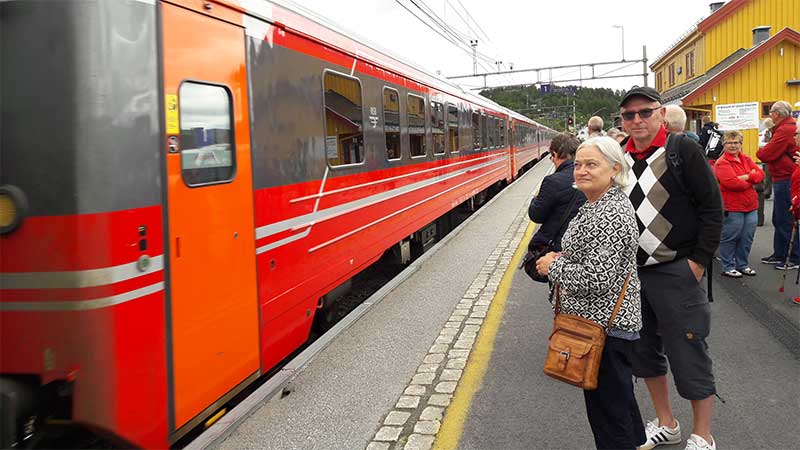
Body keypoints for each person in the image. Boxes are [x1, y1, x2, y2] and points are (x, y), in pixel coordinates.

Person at [618, 86, 723, 450]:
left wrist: (698, 262)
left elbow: (712, 208)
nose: (637, 121)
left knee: (688, 350)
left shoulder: (682, 150)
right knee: (644, 352)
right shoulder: (618, 156)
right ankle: (667, 423)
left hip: (676, 269)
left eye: (644, 112)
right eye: (629, 115)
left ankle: (703, 434)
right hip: (633, 276)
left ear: (661, 114)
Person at [536, 136, 643, 450]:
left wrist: (550, 268)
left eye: (591, 164)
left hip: (605, 329)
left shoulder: (610, 214)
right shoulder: (597, 203)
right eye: (579, 164)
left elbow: (597, 278)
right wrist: (563, 258)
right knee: (618, 405)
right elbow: (591, 258)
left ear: (614, 169)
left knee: (609, 415)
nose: (581, 170)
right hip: (600, 326)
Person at [713, 130, 764, 277]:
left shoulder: (746, 159)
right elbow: (732, 183)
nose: (733, 145)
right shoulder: (721, 163)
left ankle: (742, 264)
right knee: (730, 236)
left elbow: (760, 175)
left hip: (751, 205)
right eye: (729, 142)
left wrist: (746, 177)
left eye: (736, 142)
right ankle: (728, 266)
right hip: (733, 206)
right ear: (724, 144)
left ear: (741, 144)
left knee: (747, 236)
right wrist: (751, 177)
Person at [756, 100, 800, 270]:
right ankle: (780, 253)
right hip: (782, 177)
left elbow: (766, 153)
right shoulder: (787, 127)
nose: (770, 116)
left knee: (785, 218)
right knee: (779, 217)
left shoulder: (784, 130)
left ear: (778, 114)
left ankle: (792, 256)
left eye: (772, 112)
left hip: (785, 178)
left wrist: (761, 152)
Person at [528, 133, 585, 255]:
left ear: (555, 154)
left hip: (557, 247)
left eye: (551, 156)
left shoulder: (552, 181)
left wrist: (535, 198)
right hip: (583, 246)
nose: (552, 160)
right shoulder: (589, 175)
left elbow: (536, 216)